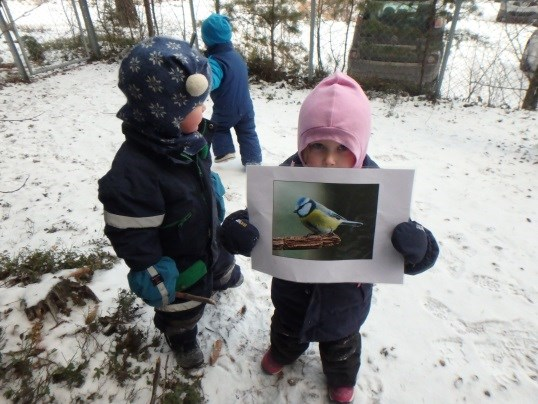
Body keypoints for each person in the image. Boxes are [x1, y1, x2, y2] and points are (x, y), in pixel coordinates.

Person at [260, 72, 440, 403]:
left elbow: (404, 249)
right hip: (292, 296)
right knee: (286, 332)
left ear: (361, 147)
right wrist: (243, 228)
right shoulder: (284, 180)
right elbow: (261, 219)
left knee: (341, 346)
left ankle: (341, 377)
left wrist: (419, 248)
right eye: (317, 146)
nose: (329, 159)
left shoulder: (377, 189)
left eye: (343, 148)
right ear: (302, 145)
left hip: (345, 304)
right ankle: (283, 351)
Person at [97, 37, 260, 369]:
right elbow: (130, 231)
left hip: (207, 233)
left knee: (220, 257)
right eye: (195, 106)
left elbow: (199, 169)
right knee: (180, 310)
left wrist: (211, 190)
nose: (205, 110)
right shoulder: (133, 175)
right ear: (166, 115)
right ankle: (181, 337)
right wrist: (152, 271)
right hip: (178, 262)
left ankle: (223, 274)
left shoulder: (183, 138)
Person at [201, 13, 263, 166]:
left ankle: (224, 151)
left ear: (207, 39)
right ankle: (253, 161)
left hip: (226, 108)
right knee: (248, 132)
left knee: (217, 127)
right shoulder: (237, 56)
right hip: (246, 106)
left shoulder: (215, 61)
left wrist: (200, 81)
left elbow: (211, 81)